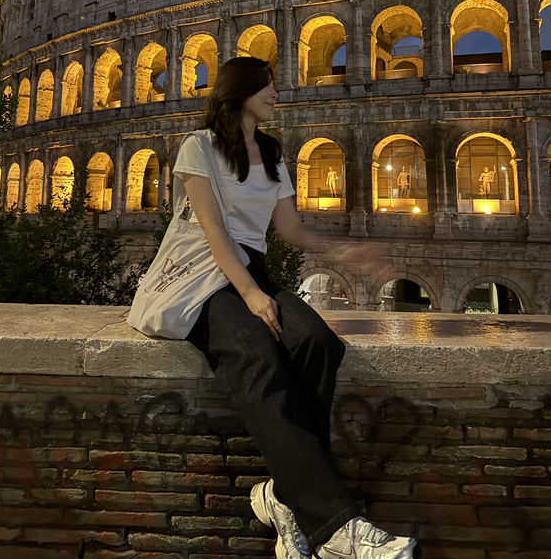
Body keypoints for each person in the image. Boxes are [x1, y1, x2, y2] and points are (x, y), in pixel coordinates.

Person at [152, 57, 417, 559]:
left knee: (318, 343)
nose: (276, 93)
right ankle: (337, 528)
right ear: (239, 91)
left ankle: (284, 495)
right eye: (267, 86)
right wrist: (252, 295)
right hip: (203, 276)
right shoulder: (198, 146)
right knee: (257, 356)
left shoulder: (273, 153)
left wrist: (345, 252)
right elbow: (212, 230)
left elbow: (289, 230)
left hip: (251, 267)